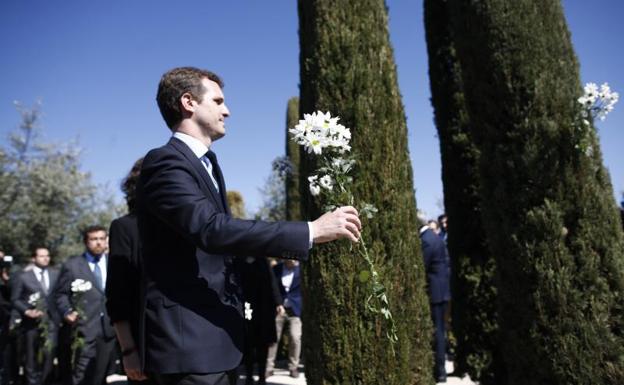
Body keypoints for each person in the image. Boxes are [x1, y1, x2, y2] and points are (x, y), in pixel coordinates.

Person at [137, 66, 361, 385]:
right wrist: (309, 231)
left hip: (218, 338)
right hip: (189, 345)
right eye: (217, 101)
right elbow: (213, 230)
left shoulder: (208, 163)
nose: (226, 110)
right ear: (188, 102)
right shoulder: (165, 162)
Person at [105, 158, 152, 384]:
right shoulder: (125, 227)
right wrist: (129, 351)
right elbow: (117, 294)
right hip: (146, 348)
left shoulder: (187, 225)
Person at [53, 226, 116, 385]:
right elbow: (60, 294)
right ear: (86, 242)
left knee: (101, 373)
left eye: (102, 239)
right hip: (83, 327)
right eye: (94, 239)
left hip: (109, 328)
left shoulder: (114, 262)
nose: (99, 243)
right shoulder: (73, 265)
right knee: (81, 372)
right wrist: (67, 312)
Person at [11, 247, 59, 385]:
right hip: (31, 325)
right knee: (31, 357)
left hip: (51, 322)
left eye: (47, 256)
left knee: (49, 355)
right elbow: (15, 299)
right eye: (41, 256)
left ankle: (46, 381)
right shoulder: (23, 277)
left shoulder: (55, 274)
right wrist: (27, 311)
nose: (45, 258)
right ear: (34, 258)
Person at [239, 257, 281, 385]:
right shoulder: (239, 261)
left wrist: (278, 302)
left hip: (264, 310)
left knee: (263, 343)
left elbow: (272, 283)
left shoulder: (263, 262)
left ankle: (262, 376)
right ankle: (249, 375)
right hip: (246, 308)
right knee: (248, 344)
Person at [420, 224, 451, 383]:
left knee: (438, 331)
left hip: (436, 293)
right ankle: (441, 368)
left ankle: (440, 371)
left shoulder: (426, 240)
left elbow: (422, 267)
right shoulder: (435, 237)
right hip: (444, 290)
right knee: (442, 330)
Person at [265, 259, 302, 379]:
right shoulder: (277, 269)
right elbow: (272, 287)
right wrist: (277, 303)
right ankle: (269, 367)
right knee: (273, 338)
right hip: (279, 309)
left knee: (295, 337)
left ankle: (293, 367)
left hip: (295, 310)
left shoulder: (301, 269)